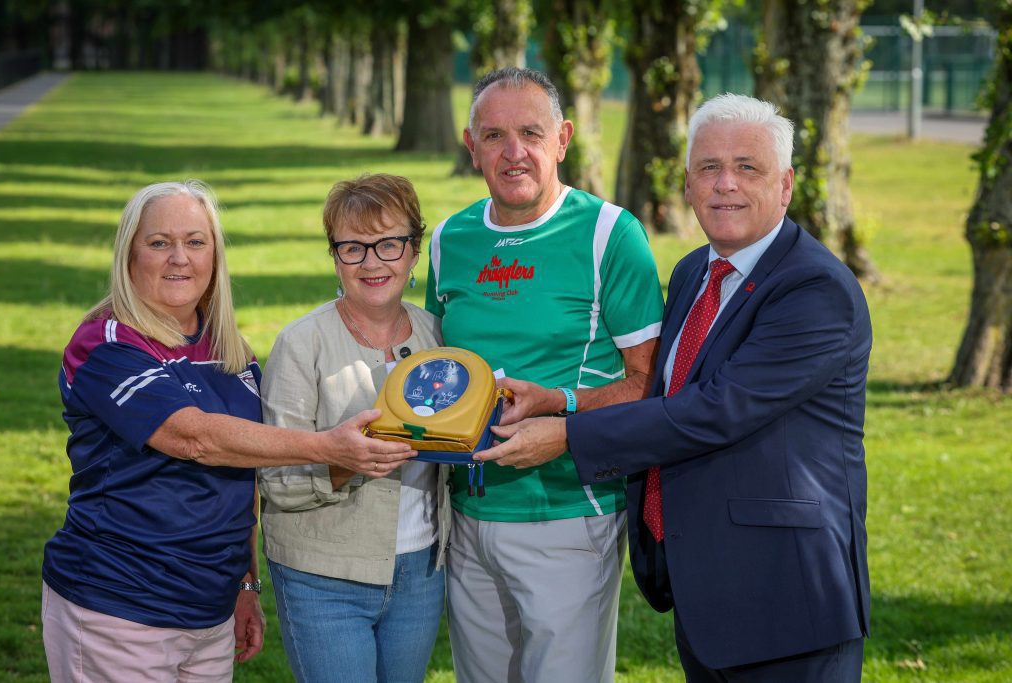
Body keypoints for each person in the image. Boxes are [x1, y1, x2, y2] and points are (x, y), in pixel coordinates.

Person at [478, 93, 872, 681]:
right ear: (687, 184)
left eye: (748, 168)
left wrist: (567, 436)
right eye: (709, 168)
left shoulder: (815, 290)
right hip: (707, 588)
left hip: (788, 599)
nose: (725, 185)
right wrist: (560, 399)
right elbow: (660, 394)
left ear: (786, 185)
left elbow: (715, 410)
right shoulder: (694, 270)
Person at [42, 180, 414, 683]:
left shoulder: (227, 346)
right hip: (120, 603)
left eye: (196, 242)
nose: (180, 258)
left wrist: (246, 585)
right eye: (159, 242)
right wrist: (327, 446)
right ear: (129, 255)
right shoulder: (107, 343)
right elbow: (193, 438)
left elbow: (243, 472)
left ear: (215, 256)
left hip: (209, 608)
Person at [425, 67, 665, 682]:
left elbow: (649, 383)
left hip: (569, 512)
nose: (514, 152)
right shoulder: (450, 238)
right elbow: (436, 371)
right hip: (468, 515)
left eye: (530, 133)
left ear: (562, 139)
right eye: (494, 135)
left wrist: (560, 404)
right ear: (469, 144)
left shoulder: (610, 234)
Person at [258, 173, 450, 683]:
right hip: (322, 575)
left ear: (413, 253)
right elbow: (276, 481)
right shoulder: (301, 344)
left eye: (388, 244)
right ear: (334, 256)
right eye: (352, 248)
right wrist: (346, 463)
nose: (371, 262)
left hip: (421, 571)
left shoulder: (439, 338)